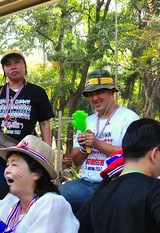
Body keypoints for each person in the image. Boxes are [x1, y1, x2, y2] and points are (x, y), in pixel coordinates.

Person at [59, 70, 139, 213]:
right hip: (84, 184)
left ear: (112, 91)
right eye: (90, 94)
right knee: (54, 198)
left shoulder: (128, 118)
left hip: (113, 184)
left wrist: (97, 143)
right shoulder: (87, 121)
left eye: (99, 92)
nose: (94, 97)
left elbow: (133, 155)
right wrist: (84, 148)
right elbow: (76, 161)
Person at [0, 49, 54, 182]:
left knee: (25, 187)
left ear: (24, 65)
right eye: (8, 64)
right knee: (0, 187)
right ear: (4, 69)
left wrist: (45, 153)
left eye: (17, 62)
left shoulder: (37, 92)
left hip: (26, 152)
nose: (13, 67)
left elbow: (44, 122)